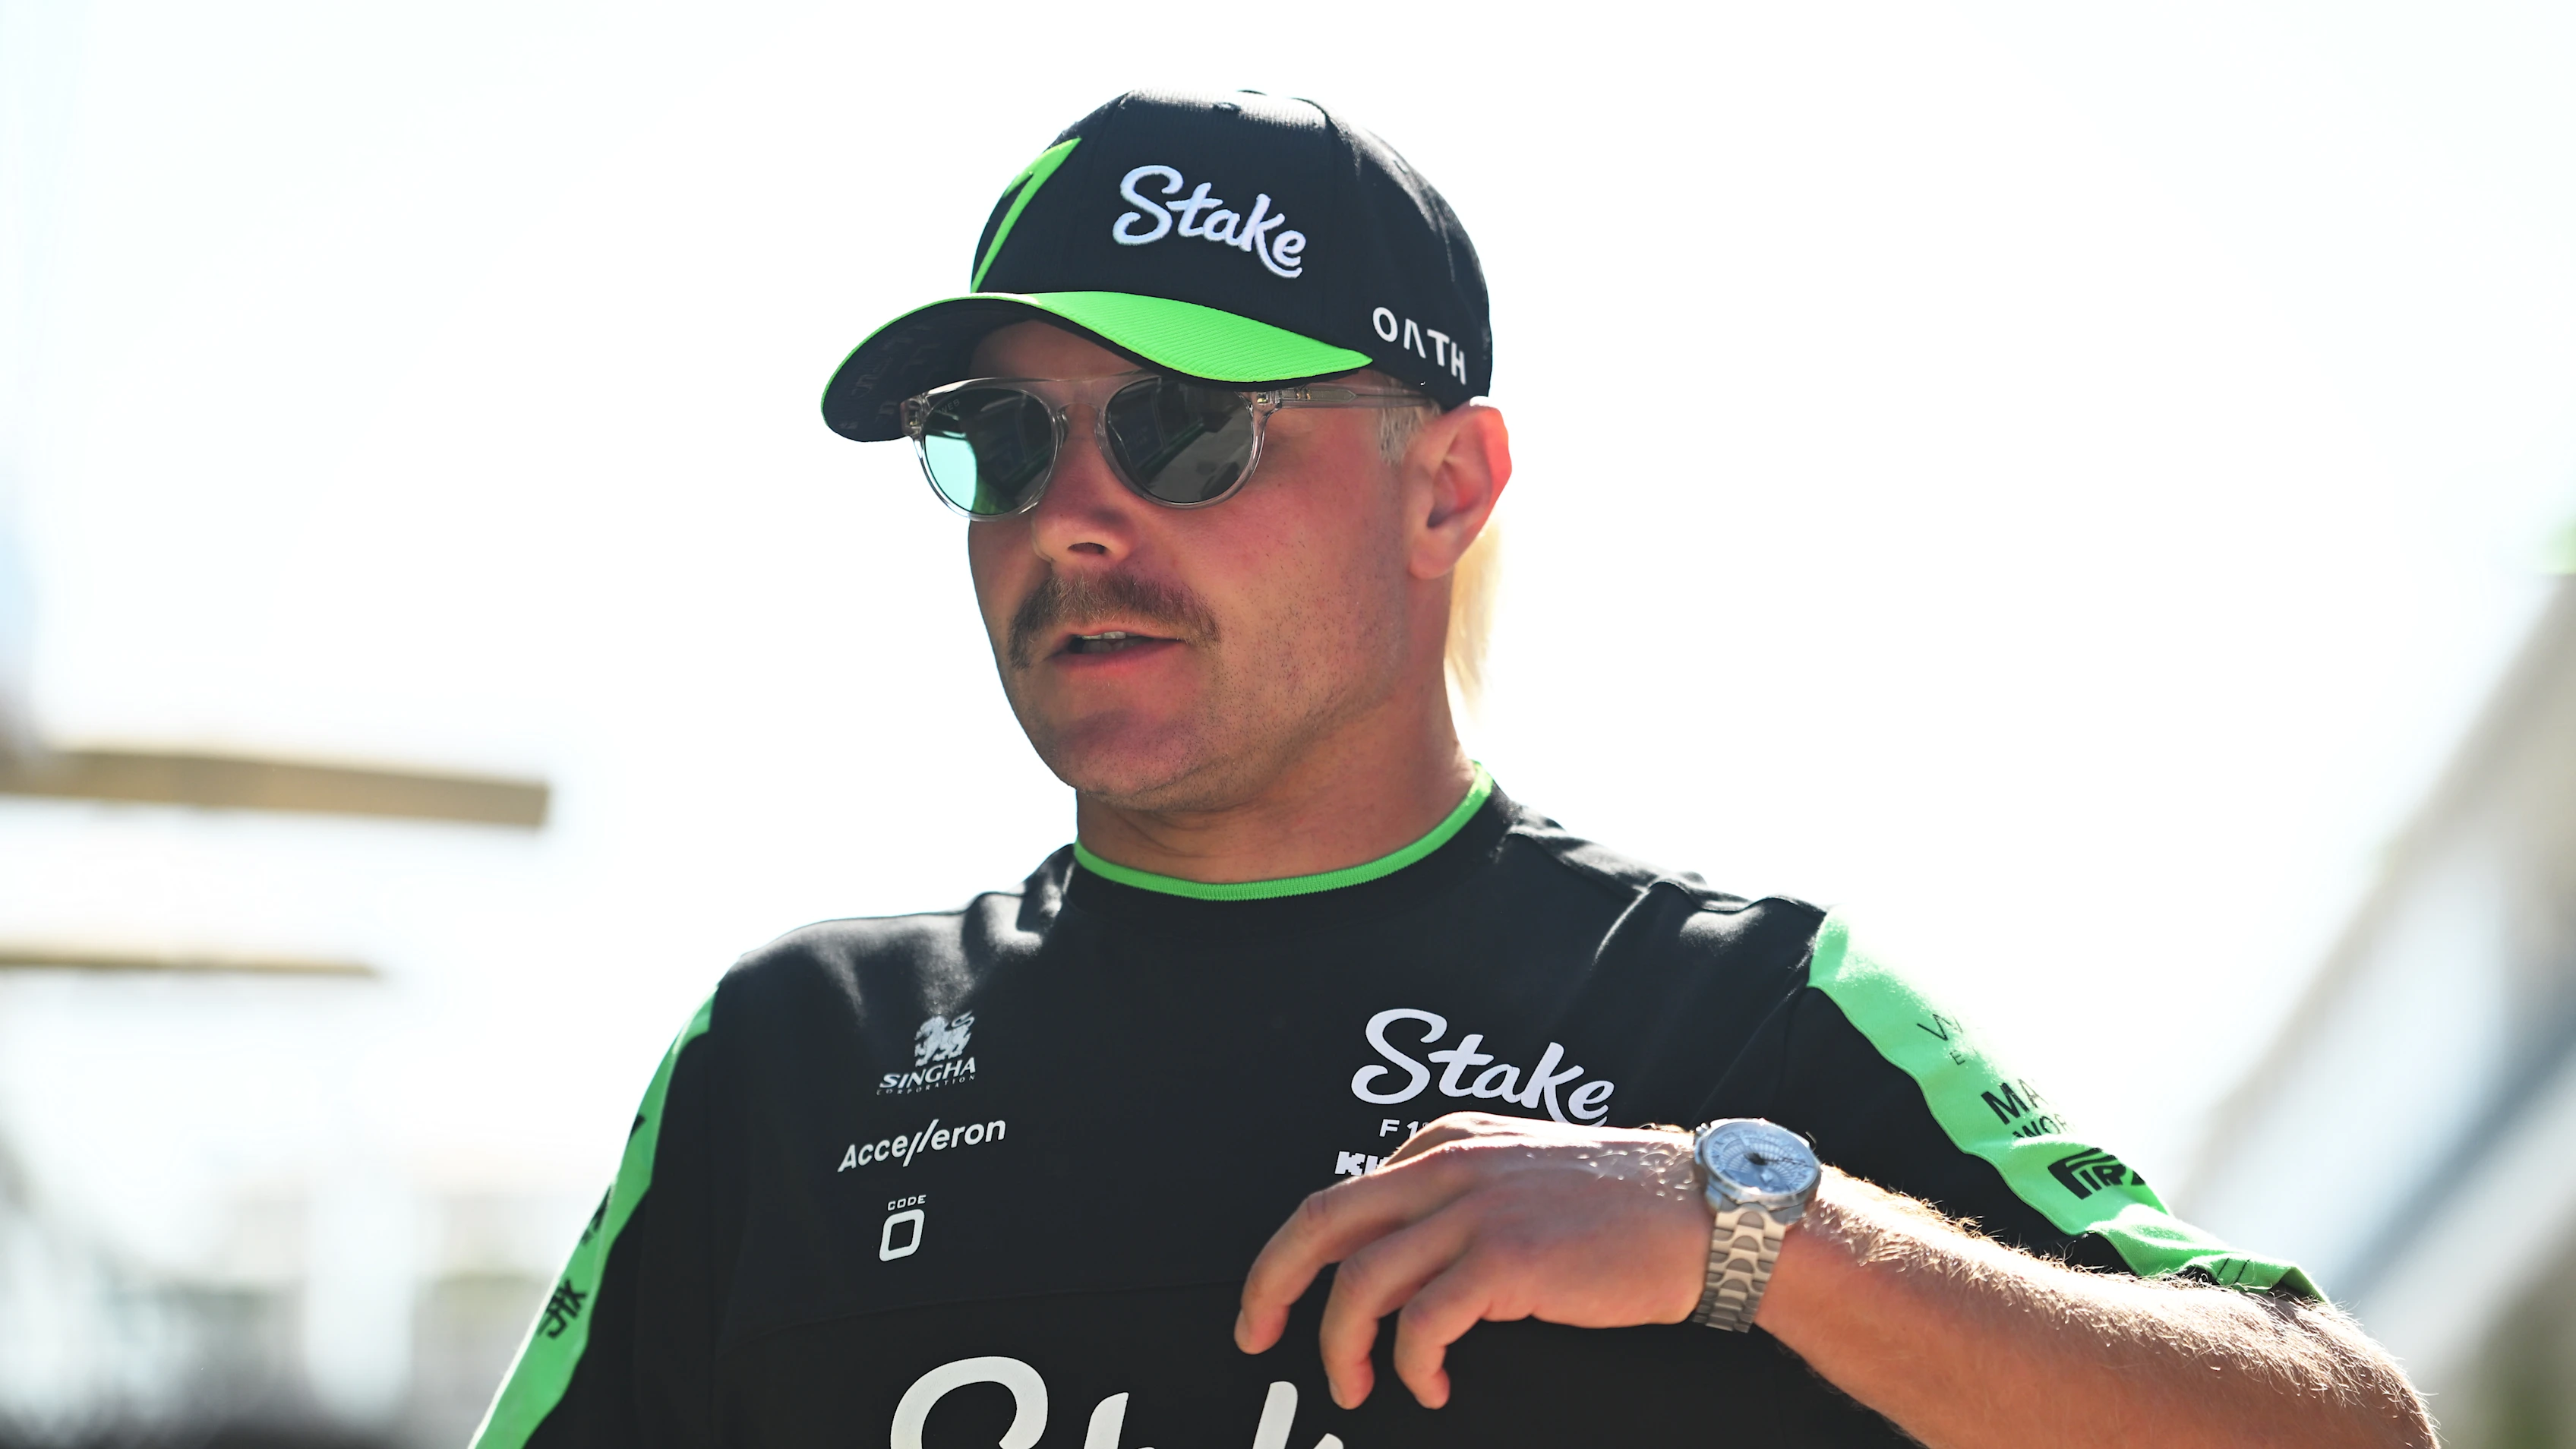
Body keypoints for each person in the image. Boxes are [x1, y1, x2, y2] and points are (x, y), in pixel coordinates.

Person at [472, 88, 2432, 1449]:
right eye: (999, 438)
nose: (1070, 516)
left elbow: (2342, 1421)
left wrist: (1740, 1232)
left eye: (1182, 429)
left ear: (1449, 488)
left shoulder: (1734, 1029)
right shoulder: (785, 1066)